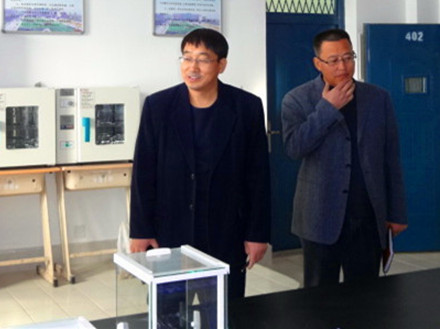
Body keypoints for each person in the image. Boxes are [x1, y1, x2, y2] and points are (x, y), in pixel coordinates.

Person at [129, 27, 271, 300]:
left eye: (203, 59)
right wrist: (141, 230)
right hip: (170, 235)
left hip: (226, 234)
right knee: (168, 313)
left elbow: (258, 177)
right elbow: (143, 173)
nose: (192, 67)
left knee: (222, 313)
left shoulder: (246, 107)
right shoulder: (158, 106)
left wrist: (257, 234)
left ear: (221, 65)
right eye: (187, 57)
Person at [281, 28, 408, 288]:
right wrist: (327, 108)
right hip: (319, 216)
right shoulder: (296, 99)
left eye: (348, 57)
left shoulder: (378, 98)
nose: (343, 66)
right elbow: (295, 147)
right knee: (319, 296)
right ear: (318, 63)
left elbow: (391, 159)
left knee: (365, 296)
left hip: (367, 216)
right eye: (334, 60)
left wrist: (396, 212)